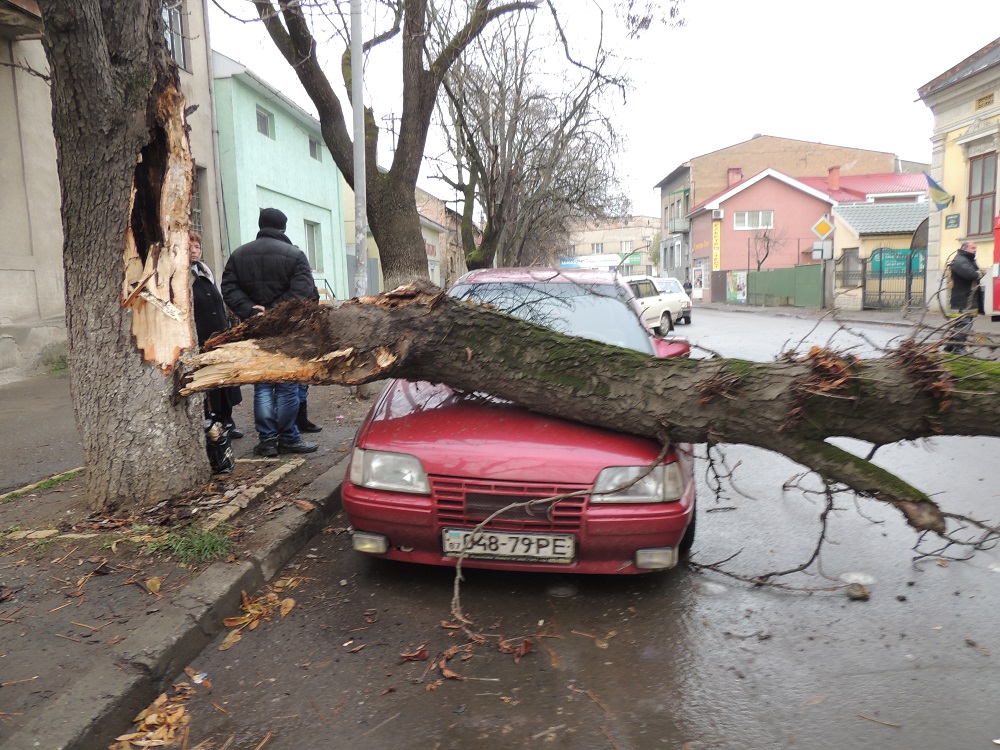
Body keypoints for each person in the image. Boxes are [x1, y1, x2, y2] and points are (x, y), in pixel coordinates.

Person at [221, 208, 320, 457]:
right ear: (283, 229)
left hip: (255, 329)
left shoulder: (239, 255)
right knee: (287, 386)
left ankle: (267, 440)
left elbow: (228, 288)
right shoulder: (295, 255)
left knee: (263, 385)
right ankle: (288, 437)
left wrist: (252, 312)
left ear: (261, 225)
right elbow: (302, 292)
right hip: (286, 330)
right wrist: (275, 312)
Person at [189, 231, 243, 440]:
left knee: (224, 380)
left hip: (218, 335)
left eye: (197, 247)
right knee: (208, 383)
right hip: (200, 338)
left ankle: (227, 421)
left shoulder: (204, 270)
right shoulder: (181, 275)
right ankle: (213, 425)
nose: (194, 251)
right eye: (190, 247)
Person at [944, 241, 984, 353]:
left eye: (975, 248)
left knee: (961, 325)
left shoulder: (966, 260)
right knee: (964, 325)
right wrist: (980, 273)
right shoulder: (960, 261)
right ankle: (958, 348)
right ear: (964, 248)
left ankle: (950, 346)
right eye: (972, 248)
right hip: (961, 302)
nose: (975, 250)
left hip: (965, 301)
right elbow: (971, 275)